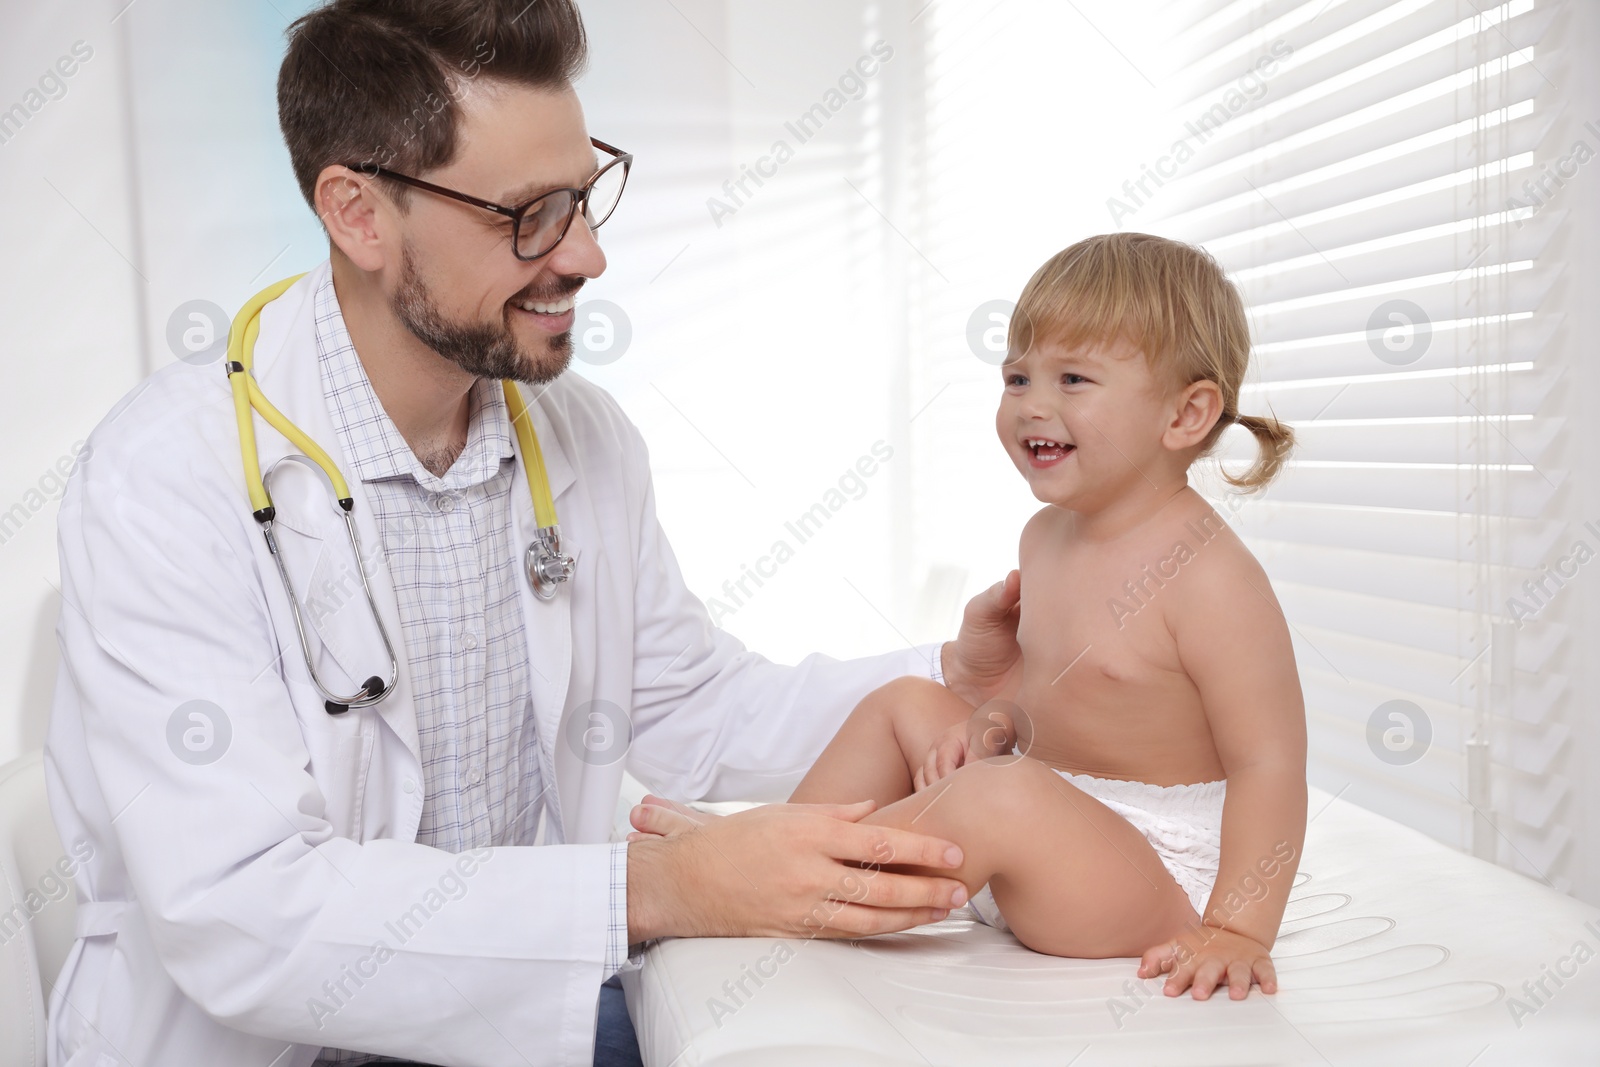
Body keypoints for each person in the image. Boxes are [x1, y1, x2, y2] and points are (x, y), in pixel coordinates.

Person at [41, 2, 1020, 1064]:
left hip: (506, 1026)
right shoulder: (163, 478)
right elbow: (242, 912)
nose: (588, 255)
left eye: (586, 197)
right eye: (530, 216)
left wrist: (952, 669)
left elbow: (686, 702)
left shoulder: (580, 440)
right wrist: (655, 886)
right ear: (358, 213)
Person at [635, 232, 1309, 1002]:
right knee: (905, 703)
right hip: (1049, 816)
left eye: (1074, 378)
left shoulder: (1213, 578)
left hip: (1153, 865)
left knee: (1003, 793)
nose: (1032, 404)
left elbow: (1271, 763)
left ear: (1186, 414)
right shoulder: (1047, 536)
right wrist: (989, 722)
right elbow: (1054, 700)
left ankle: (797, 883)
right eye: (1017, 376)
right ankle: (780, 852)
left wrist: (1237, 926)